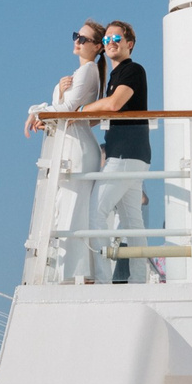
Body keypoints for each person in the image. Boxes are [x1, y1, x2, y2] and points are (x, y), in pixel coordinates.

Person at [23, 23, 108, 281]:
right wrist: (55, 100)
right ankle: (68, 274)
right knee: (67, 211)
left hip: (77, 149)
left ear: (97, 46)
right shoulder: (83, 72)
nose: (78, 41)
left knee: (72, 213)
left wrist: (38, 113)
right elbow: (66, 110)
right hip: (72, 146)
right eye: (76, 36)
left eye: (84, 38)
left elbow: (68, 109)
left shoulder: (88, 71)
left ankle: (73, 276)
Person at [86, 22, 159, 283]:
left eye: (117, 37)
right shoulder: (117, 76)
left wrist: (81, 112)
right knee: (132, 223)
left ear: (130, 43)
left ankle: (103, 282)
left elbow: (114, 104)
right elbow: (108, 109)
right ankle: (139, 281)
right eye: (106, 39)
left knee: (95, 214)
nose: (111, 42)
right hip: (134, 155)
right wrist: (76, 120)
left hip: (125, 156)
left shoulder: (132, 70)